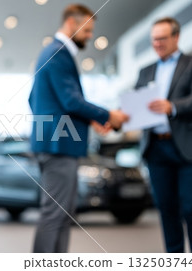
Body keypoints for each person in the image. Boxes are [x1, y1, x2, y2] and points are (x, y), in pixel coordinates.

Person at [28, 4, 128, 253]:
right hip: (59, 146)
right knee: (55, 215)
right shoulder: (59, 52)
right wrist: (108, 115)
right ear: (72, 23)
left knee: (61, 214)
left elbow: (34, 99)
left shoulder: (51, 52)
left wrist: (88, 120)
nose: (90, 35)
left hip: (54, 143)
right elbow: (71, 101)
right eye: (88, 30)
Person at [135, 17, 192, 253]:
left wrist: (172, 107)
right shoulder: (146, 71)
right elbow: (136, 106)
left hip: (190, 148)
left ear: (176, 37)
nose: (157, 44)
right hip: (156, 149)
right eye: (154, 39)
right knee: (166, 209)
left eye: (162, 38)